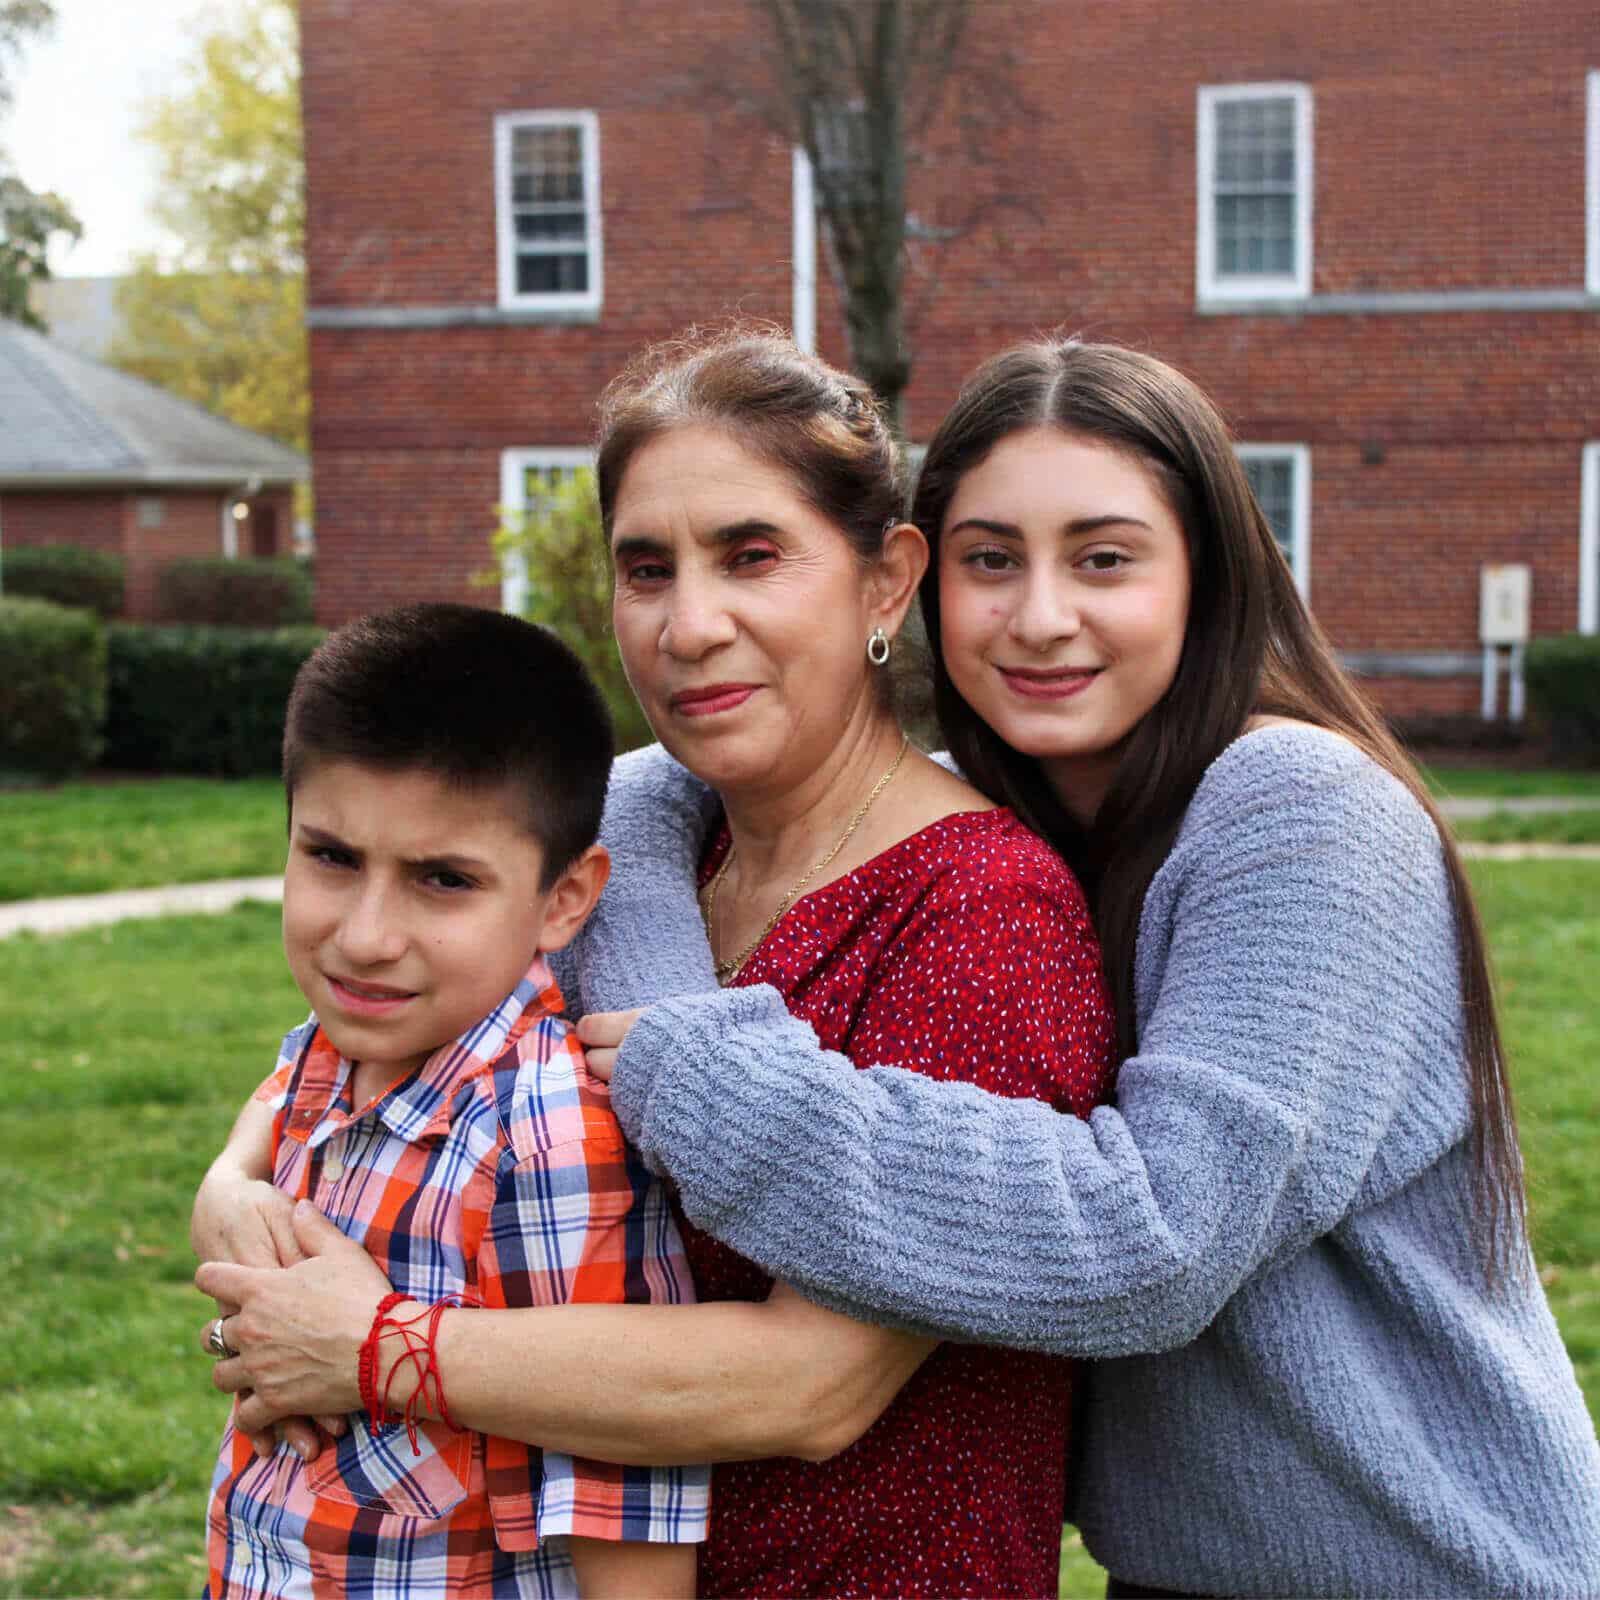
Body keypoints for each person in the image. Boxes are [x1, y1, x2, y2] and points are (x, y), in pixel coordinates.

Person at [196, 333, 1118, 1599]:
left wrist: (374, 1347)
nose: (689, 625)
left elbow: (818, 1383)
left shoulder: (981, 913)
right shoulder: (634, 848)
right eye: (646, 568)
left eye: (751, 556)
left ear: (886, 582)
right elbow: (367, 1072)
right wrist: (239, 1195)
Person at [199, 602, 709, 1599]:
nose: (365, 936)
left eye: (442, 879)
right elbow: (261, 1127)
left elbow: (619, 1496)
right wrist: (226, 1188)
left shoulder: (541, 1134)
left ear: (563, 900)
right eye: (332, 856)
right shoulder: (327, 1049)